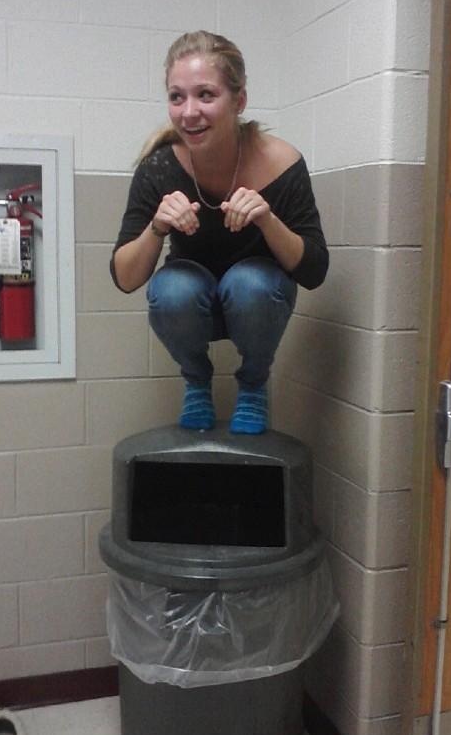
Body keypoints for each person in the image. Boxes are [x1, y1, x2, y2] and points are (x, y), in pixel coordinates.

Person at [110, 30, 328, 434]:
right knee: (171, 287)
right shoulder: (158, 168)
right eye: (177, 97)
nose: (189, 112)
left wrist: (268, 219)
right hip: (190, 305)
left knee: (251, 280)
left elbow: (315, 270)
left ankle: (253, 384)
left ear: (239, 101)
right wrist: (157, 228)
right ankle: (196, 381)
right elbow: (124, 277)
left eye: (206, 95)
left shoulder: (281, 162)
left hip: (258, 300)